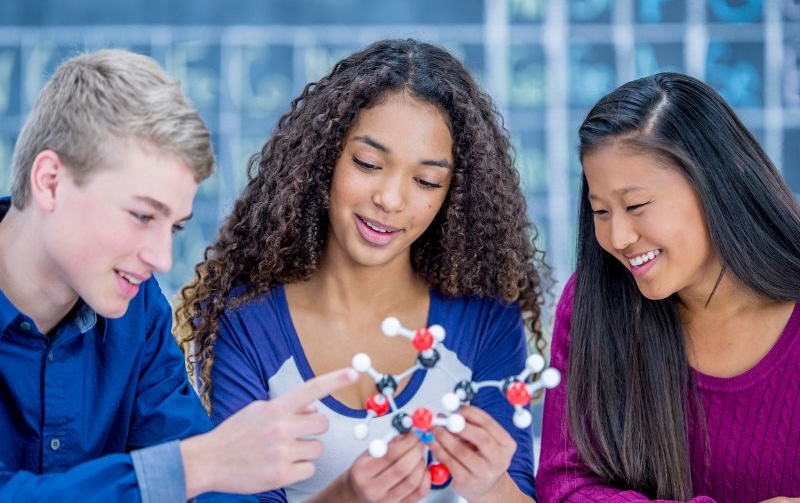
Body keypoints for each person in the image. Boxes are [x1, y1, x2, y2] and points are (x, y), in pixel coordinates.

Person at [175, 38, 550, 503]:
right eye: (368, 164)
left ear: (452, 194)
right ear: (323, 158)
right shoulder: (246, 320)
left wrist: (491, 486)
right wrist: (346, 497)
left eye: (426, 181)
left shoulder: (486, 319)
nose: (390, 199)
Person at [0, 48, 358, 503]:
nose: (163, 259)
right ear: (51, 181)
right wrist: (197, 465)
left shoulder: (139, 311)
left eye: (175, 227)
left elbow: (207, 484)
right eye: (142, 215)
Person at [535, 71, 800, 502]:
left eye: (636, 205)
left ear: (721, 180)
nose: (618, 238)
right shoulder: (595, 303)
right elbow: (566, 485)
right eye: (601, 212)